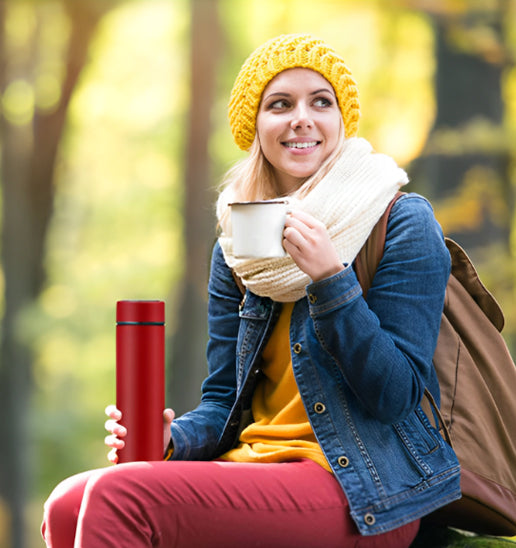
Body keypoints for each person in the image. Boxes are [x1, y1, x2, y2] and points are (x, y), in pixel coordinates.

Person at [41, 33, 461, 548]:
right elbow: (223, 402)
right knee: (67, 502)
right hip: (256, 466)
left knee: (117, 497)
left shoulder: (399, 221)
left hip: (363, 491)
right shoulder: (241, 248)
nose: (301, 117)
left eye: (320, 102)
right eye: (280, 104)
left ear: (340, 121)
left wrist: (332, 282)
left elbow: (397, 395)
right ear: (256, 128)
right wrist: (174, 440)